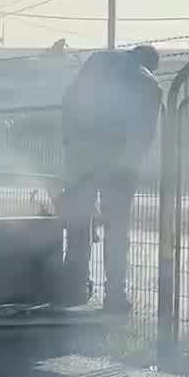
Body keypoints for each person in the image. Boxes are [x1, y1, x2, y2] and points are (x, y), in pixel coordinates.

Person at [60, 44, 162, 313]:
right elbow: (145, 135)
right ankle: (115, 294)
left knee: (80, 223)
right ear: (149, 63)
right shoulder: (150, 85)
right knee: (117, 231)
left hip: (82, 159)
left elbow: (69, 103)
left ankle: (75, 286)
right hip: (119, 167)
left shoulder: (98, 62)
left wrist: (71, 148)